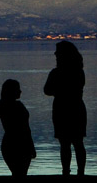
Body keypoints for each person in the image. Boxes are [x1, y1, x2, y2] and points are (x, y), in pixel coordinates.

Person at [44, 40, 87, 176]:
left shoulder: (56, 73)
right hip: (75, 108)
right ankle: (80, 172)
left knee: (66, 143)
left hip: (62, 109)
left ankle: (66, 172)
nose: (55, 54)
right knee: (77, 142)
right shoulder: (79, 72)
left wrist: (59, 90)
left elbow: (47, 90)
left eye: (58, 52)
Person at [0, 79, 36, 177]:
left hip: (9, 143)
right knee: (21, 173)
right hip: (22, 144)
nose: (20, 91)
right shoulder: (18, 106)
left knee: (17, 173)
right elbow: (26, 128)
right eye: (18, 89)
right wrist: (31, 145)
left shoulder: (2, 106)